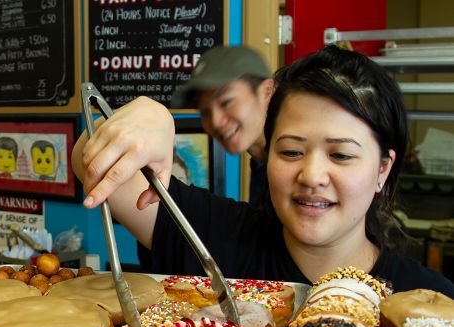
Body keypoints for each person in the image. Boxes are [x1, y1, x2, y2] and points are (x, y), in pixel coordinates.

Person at [73, 45, 454, 296]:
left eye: (340, 156)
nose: (312, 175)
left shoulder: (429, 299)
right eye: (291, 151)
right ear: (267, 153)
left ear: (382, 169)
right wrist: (148, 117)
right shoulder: (218, 238)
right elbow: (86, 158)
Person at [171, 46, 274, 206]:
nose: (215, 122)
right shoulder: (262, 165)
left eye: (226, 102)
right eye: (204, 112)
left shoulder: (292, 171)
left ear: (267, 91)